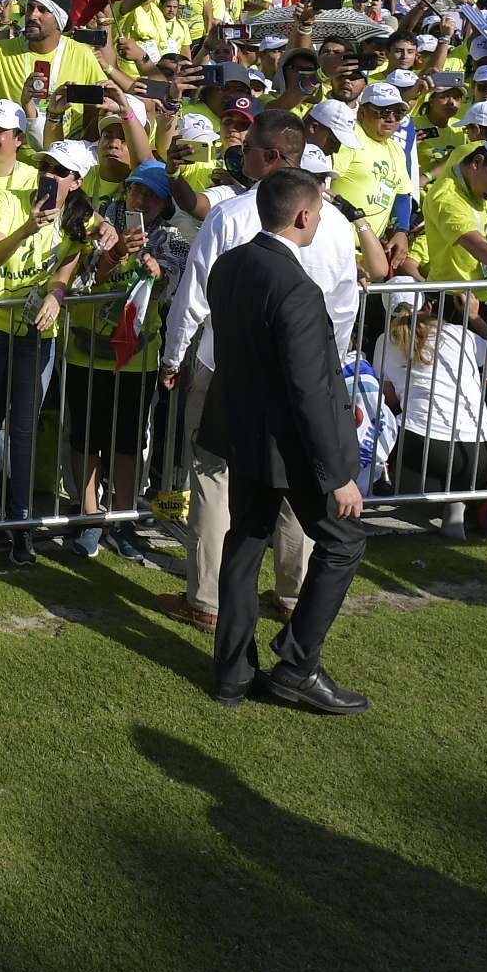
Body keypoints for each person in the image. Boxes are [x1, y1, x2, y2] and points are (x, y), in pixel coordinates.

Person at [159, 111, 358, 631]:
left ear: (271, 156)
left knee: (214, 477)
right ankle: (290, 594)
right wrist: (324, 368)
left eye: (246, 148)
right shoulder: (334, 222)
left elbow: (195, 294)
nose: (237, 154)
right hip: (302, 375)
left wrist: (172, 356)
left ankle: (207, 598)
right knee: (297, 479)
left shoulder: (233, 214)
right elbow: (344, 307)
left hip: (230, 372)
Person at [200, 169, 372, 715]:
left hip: (242, 433)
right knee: (344, 542)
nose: (320, 221)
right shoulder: (296, 287)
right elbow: (309, 389)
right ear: (302, 216)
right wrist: (339, 474)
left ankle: (232, 675)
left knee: (245, 547)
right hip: (286, 444)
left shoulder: (230, 265)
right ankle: (297, 664)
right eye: (319, 213)